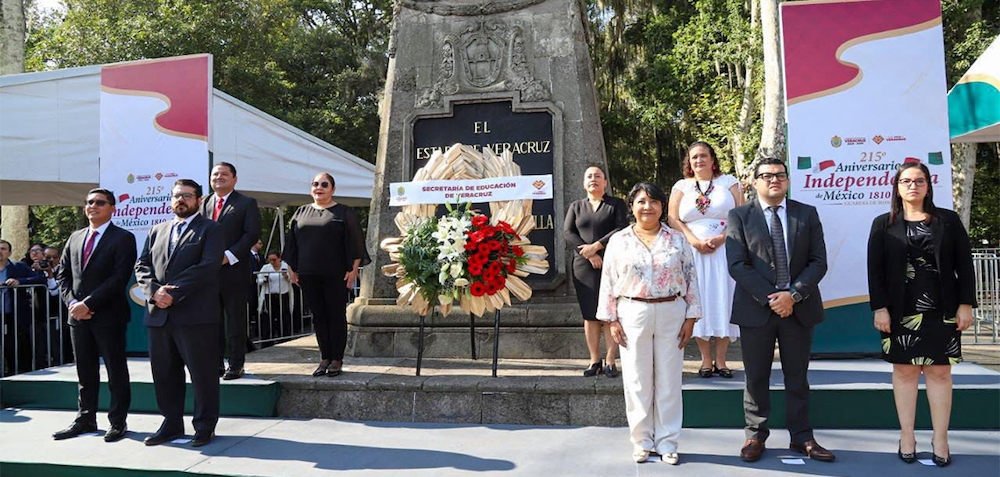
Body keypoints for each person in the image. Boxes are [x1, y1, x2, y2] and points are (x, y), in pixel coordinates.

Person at [726, 158, 834, 463]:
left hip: (798, 309)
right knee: (755, 376)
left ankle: (801, 437)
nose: (774, 180)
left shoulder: (806, 213)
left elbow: (818, 262)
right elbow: (737, 264)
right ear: (755, 182)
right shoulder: (739, 216)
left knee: (797, 376)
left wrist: (793, 296)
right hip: (756, 309)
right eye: (767, 175)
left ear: (787, 180)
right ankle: (755, 435)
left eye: (780, 175)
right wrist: (773, 297)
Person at [867, 162, 975, 467]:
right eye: (906, 181)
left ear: (928, 186)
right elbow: (875, 271)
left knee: (940, 373)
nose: (912, 186)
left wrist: (966, 304)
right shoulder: (883, 223)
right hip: (900, 312)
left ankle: (940, 438)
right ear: (897, 187)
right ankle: (907, 437)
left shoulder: (948, 220)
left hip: (943, 310)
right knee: (904, 373)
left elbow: (964, 264)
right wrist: (880, 308)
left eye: (919, 181)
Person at [597, 182, 701, 465]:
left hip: (671, 312)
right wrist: (612, 320)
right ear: (631, 206)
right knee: (636, 380)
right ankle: (641, 441)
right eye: (641, 201)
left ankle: (668, 442)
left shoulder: (677, 239)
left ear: (662, 206)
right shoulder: (619, 240)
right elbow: (608, 281)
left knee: (669, 380)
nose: (647, 207)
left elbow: (691, 277)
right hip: (632, 313)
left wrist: (691, 317)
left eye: (653, 201)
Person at [135, 179, 225, 447]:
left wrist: (173, 292)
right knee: (164, 374)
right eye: (176, 196)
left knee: (202, 374)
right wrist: (155, 291)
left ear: (199, 200)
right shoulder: (158, 229)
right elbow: (142, 265)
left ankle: (204, 426)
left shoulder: (211, 229)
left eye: (187, 195)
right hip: (159, 316)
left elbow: (208, 266)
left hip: (195, 315)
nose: (180, 200)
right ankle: (171, 424)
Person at [52, 189, 137, 442]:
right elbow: (62, 275)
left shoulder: (123, 238)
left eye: (100, 202)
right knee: (85, 371)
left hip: (108, 315)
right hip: (77, 317)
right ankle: (85, 418)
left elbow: (119, 278)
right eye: (89, 202)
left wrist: (88, 304)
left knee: (115, 370)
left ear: (113, 208)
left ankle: (117, 422)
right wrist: (73, 303)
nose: (93, 206)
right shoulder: (75, 237)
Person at [668, 142, 743, 378]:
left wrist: (722, 237)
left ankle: (721, 360)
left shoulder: (729, 183)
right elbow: (673, 218)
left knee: (722, 298)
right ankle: (706, 360)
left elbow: (741, 214)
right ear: (689, 162)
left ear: (712, 159)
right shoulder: (682, 186)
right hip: (693, 252)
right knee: (699, 300)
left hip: (724, 250)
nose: (699, 160)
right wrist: (693, 241)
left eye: (703, 156)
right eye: (694, 157)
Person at [284, 172, 367, 377]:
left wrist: (354, 269)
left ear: (333, 189)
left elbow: (356, 242)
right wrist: (291, 269)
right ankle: (324, 358)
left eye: (324, 184)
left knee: (336, 315)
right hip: (308, 274)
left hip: (336, 274)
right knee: (319, 316)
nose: (319, 188)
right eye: (315, 184)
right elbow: (291, 243)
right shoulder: (301, 212)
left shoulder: (344, 212)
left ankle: (336, 359)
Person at [563, 164, 628, 377]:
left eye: (598, 176)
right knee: (590, 314)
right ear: (584, 183)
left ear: (605, 182)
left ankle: (610, 360)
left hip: (611, 262)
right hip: (583, 265)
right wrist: (589, 254)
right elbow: (568, 232)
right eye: (589, 176)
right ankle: (594, 360)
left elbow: (621, 228)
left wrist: (598, 246)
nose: (593, 179)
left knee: (609, 313)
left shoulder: (615, 204)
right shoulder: (576, 206)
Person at [200, 162, 261, 380]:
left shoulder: (246, 203)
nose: (219, 177)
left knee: (235, 321)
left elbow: (251, 234)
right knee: (211, 321)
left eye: (224, 174)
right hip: (208, 274)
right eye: (215, 174)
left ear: (234, 179)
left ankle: (236, 364)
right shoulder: (204, 203)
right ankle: (215, 364)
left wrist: (228, 256)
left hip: (234, 271)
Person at [1, 239, 45, 375]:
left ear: (10, 253)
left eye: (3, 249)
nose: (0, 252)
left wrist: (20, 281)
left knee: (16, 346)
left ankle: (18, 373)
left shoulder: (18, 267)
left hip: (14, 314)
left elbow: (39, 279)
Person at [258, 252, 294, 338]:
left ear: (279, 258)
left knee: (284, 316)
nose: (272, 262)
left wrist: (286, 277)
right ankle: (269, 338)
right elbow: (258, 279)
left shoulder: (286, 266)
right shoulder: (266, 267)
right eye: (270, 260)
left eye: (274, 260)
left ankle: (285, 337)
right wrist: (264, 280)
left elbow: (292, 279)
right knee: (269, 317)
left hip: (283, 294)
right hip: (269, 295)